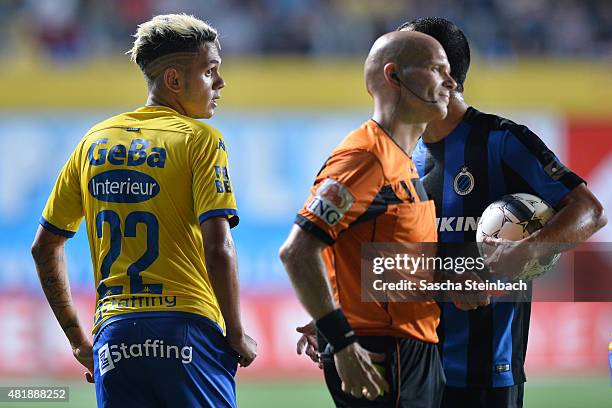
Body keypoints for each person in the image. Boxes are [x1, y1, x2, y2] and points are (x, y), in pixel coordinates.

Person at [30, 14, 256, 408]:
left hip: (114, 338)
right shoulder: (201, 140)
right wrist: (235, 332)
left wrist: (80, 343)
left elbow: (44, 247)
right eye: (210, 71)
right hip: (187, 330)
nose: (220, 84)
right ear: (173, 80)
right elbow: (219, 247)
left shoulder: (93, 142)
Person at [400, 17, 606, 408]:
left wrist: (523, 254)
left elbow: (589, 211)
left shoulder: (502, 142)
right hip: (414, 371)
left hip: (485, 378)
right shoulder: (405, 154)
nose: (389, 81)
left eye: (400, 67)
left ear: (439, 74)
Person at [280, 30, 457, 407]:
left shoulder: (401, 161)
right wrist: (341, 339)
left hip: (410, 349)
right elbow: (298, 251)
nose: (451, 80)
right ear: (394, 76)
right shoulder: (365, 158)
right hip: (382, 352)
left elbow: (369, 255)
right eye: (435, 68)